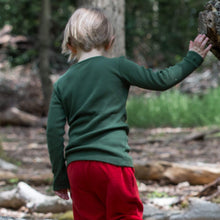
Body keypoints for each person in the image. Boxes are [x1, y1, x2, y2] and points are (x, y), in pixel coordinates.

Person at [46, 7, 212, 220]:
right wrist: (193, 58)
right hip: (112, 163)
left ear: (69, 44)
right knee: (126, 215)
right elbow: (160, 80)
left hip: (78, 168)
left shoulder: (62, 83)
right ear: (110, 41)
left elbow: (53, 133)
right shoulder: (118, 66)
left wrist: (60, 178)